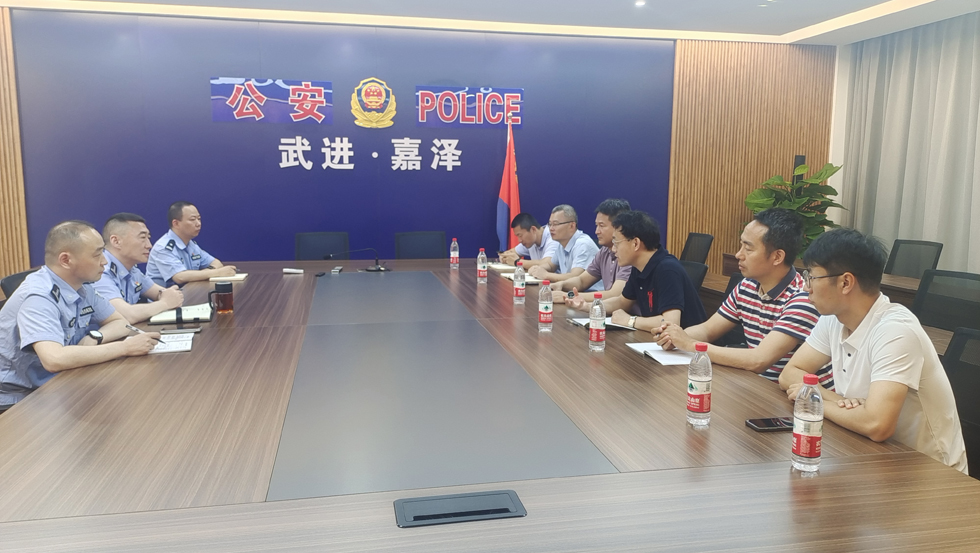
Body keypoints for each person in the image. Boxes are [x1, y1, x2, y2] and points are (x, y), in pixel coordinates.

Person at [778, 228, 967, 474]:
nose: (806, 287)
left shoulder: (895, 331)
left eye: (812, 277)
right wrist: (838, 401)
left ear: (845, 282)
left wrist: (816, 400)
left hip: (928, 473)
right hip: (871, 457)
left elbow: (877, 425)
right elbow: (790, 373)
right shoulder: (833, 319)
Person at [656, 208, 833, 387]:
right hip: (758, 386)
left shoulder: (802, 299)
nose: (738, 255)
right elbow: (708, 330)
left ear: (777, 257)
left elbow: (758, 360)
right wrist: (673, 337)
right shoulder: (747, 286)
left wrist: (689, 345)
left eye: (748, 248)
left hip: (800, 396)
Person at [0, 221, 160, 411]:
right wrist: (125, 347)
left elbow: (120, 322)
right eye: (97, 254)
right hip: (18, 397)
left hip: (58, 379)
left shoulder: (81, 286)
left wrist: (95, 337)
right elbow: (54, 359)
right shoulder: (38, 296)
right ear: (66, 260)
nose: (105, 261)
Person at [568, 210, 706, 330]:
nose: (614, 249)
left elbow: (671, 322)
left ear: (635, 243)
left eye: (616, 243)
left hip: (688, 347)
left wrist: (630, 321)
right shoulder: (639, 268)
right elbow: (622, 302)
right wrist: (587, 306)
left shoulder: (667, 269)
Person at [93, 213, 184, 323]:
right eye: (142, 238)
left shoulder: (132, 270)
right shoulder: (100, 271)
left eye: (148, 238)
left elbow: (160, 293)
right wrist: (165, 303)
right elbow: (125, 315)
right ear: (116, 241)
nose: (149, 245)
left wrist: (169, 295)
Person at [551, 199, 636, 307]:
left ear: (619, 227)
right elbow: (582, 281)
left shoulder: (629, 254)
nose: (597, 231)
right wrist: (562, 285)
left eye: (602, 225)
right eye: (597, 225)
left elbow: (615, 295)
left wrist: (568, 295)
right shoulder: (604, 251)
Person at [146, 201, 236, 287]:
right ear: (176, 223)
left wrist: (205, 273)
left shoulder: (191, 244)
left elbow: (216, 263)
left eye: (199, 219)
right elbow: (180, 277)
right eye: (192, 219)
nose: (198, 223)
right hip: (164, 296)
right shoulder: (163, 247)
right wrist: (216, 273)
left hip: (188, 292)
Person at [528, 205, 600, 290]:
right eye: (550, 224)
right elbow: (550, 265)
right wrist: (537, 269)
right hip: (571, 292)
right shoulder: (561, 243)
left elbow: (575, 277)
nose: (551, 228)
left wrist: (546, 275)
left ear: (572, 226)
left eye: (555, 224)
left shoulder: (582, 244)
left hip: (591, 295)